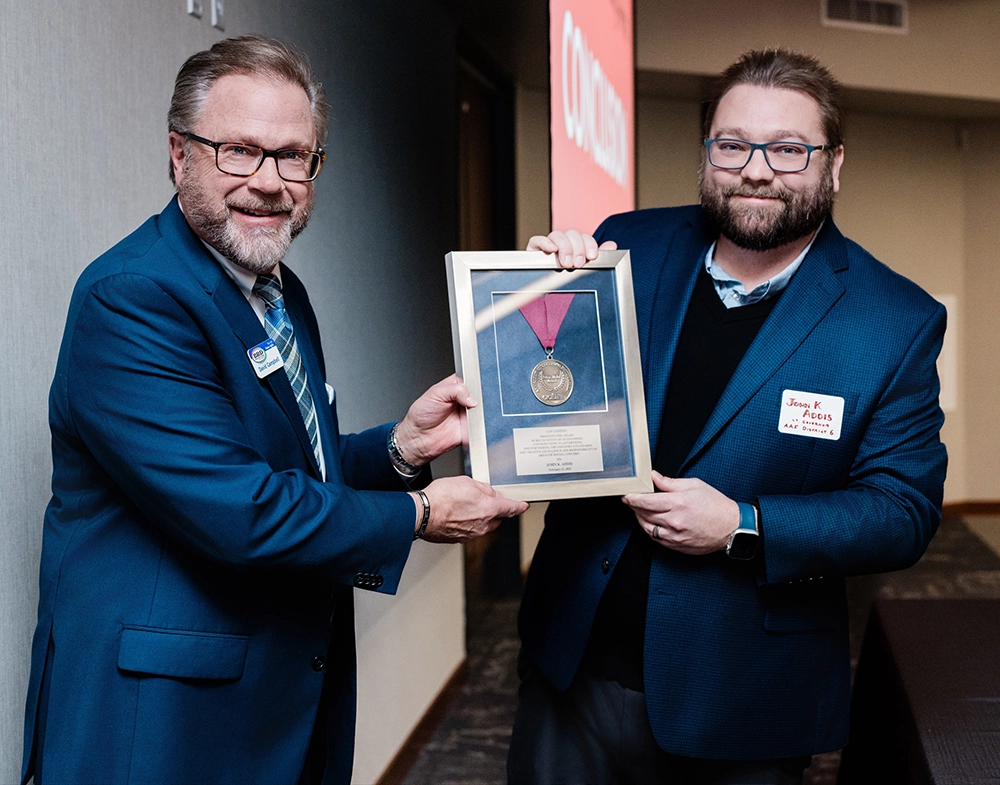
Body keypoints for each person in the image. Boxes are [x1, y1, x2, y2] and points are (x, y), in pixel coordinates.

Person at [20, 35, 527, 785]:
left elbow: (287, 464)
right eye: (240, 151)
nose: (270, 182)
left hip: (274, 696)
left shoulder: (278, 292)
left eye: (295, 156)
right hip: (161, 725)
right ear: (178, 154)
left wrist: (399, 447)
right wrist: (419, 514)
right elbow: (242, 507)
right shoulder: (132, 298)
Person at [508, 49, 947, 784]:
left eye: (789, 148)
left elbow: (902, 512)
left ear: (833, 164)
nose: (757, 168)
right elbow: (554, 400)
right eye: (733, 144)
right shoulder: (629, 245)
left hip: (742, 697)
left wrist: (743, 525)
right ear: (707, 152)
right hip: (572, 669)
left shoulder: (893, 320)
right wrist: (537, 296)